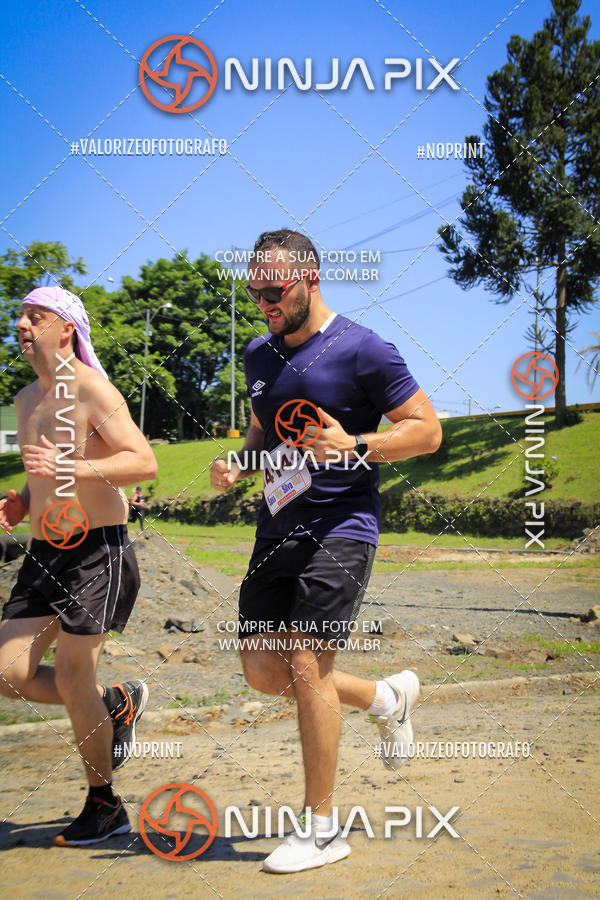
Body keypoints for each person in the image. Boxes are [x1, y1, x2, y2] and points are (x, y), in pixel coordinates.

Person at [210, 229, 442, 874]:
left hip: (342, 525)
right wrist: (238, 462)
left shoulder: (364, 348)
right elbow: (263, 433)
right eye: (254, 290)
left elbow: (427, 431)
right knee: (261, 671)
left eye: (274, 289)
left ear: (310, 278)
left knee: (307, 664)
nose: (263, 301)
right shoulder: (259, 354)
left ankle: (321, 827)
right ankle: (384, 699)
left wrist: (357, 446)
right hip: (276, 526)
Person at [0, 286, 158, 847]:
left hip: (98, 551)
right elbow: (44, 470)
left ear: (65, 328)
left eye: (34, 317)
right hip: (44, 550)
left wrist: (70, 463)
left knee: (71, 676)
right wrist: (22, 498)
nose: (21, 325)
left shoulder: (91, 388)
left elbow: (142, 461)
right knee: (8, 672)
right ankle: (116, 704)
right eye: (19, 316)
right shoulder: (25, 399)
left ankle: (104, 804)